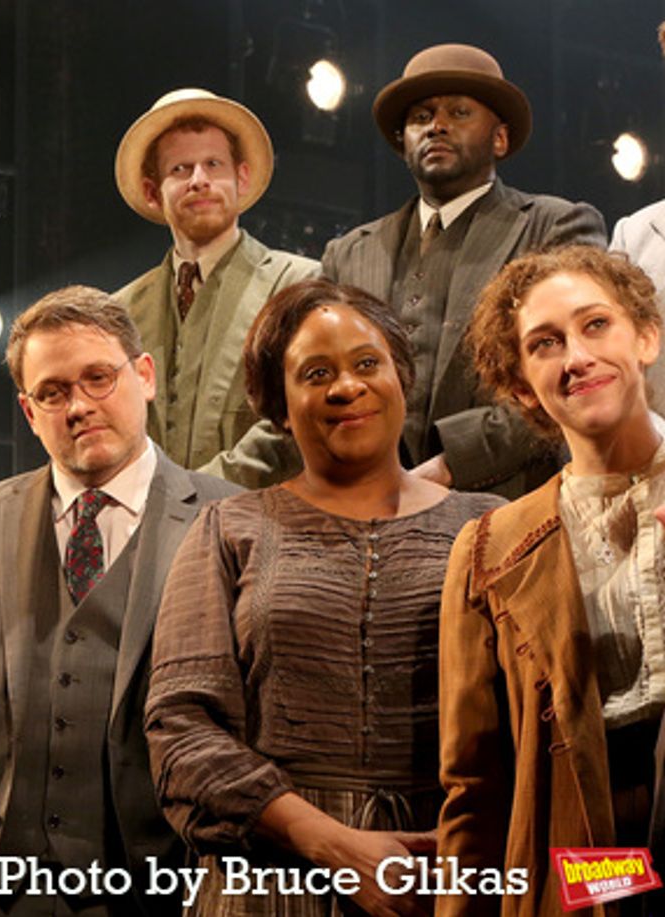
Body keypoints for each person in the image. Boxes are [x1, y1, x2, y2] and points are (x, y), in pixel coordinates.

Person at [0, 285, 239, 917]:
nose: (78, 406)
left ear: (144, 376)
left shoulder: (230, 518)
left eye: (98, 378)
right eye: (53, 391)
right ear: (28, 410)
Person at [145, 279, 503, 917]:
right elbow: (180, 729)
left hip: (447, 883)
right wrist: (328, 843)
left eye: (368, 363)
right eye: (316, 373)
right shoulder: (229, 527)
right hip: (269, 884)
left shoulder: (491, 527)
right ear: (279, 407)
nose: (346, 387)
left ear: (402, 377)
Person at [217, 43, 607, 496]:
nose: (436, 126)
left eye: (459, 112)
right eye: (421, 117)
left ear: (499, 138)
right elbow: (307, 389)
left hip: (512, 505)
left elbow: (570, 377)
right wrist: (198, 488)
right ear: (402, 141)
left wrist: (443, 469)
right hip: (369, 513)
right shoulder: (348, 253)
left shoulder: (554, 225)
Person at [440, 245, 665, 915]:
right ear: (519, 387)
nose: (576, 356)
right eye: (545, 343)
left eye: (596, 324)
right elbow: (474, 786)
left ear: (646, 335)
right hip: (592, 853)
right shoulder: (489, 547)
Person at [113, 88, 318, 472]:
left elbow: (303, 412)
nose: (199, 180)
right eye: (180, 169)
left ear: (241, 177)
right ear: (152, 191)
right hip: (152, 524)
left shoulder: (296, 284)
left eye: (213, 164)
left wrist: (197, 497)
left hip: (263, 518)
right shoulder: (122, 310)